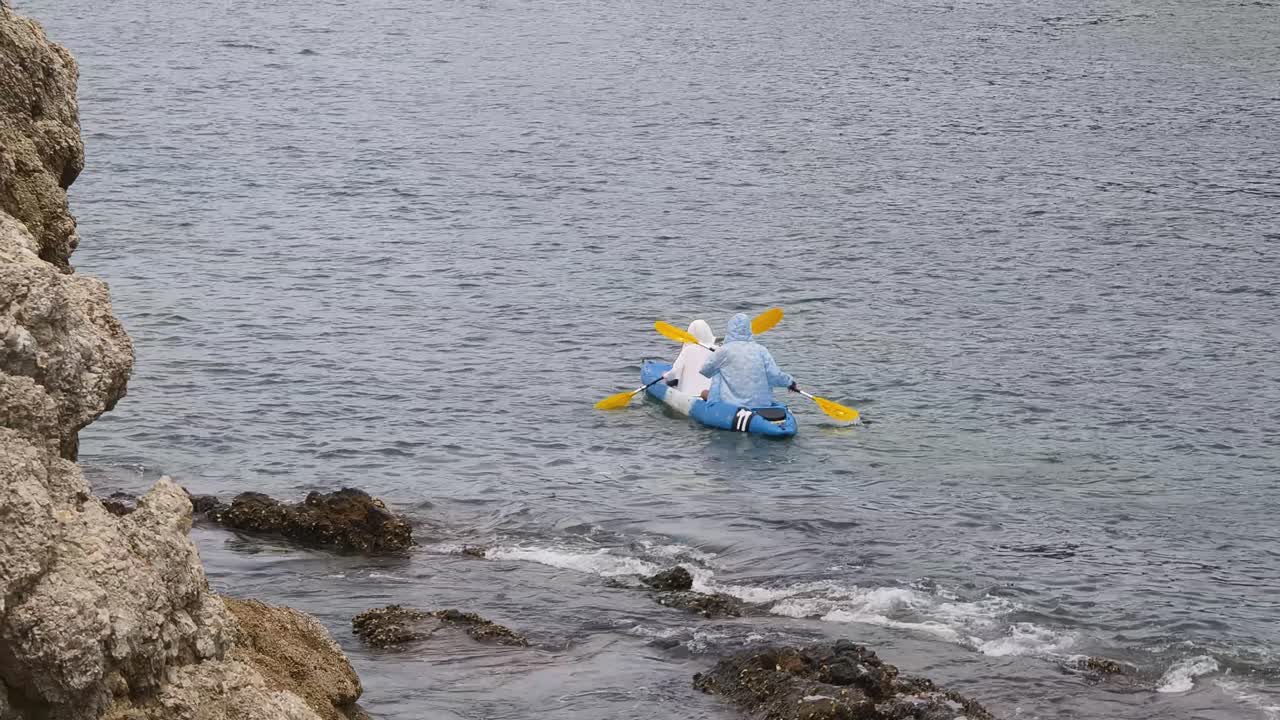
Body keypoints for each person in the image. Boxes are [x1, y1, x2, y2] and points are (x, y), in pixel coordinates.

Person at [698, 313, 798, 406]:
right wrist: (790, 382)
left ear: (729, 330)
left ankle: (713, 405)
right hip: (762, 405)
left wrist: (717, 357)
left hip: (732, 405)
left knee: (710, 383)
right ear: (749, 329)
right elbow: (774, 375)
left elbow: (705, 371)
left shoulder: (724, 351)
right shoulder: (761, 350)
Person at [662, 319, 715, 397]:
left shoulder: (688, 350)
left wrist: (665, 376)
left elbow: (675, 372)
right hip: (710, 395)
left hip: (689, 395)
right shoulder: (717, 350)